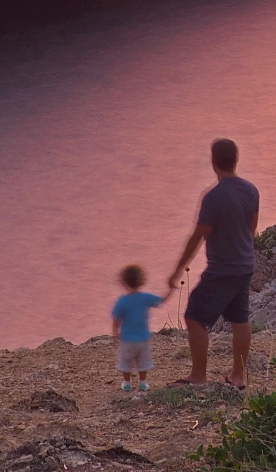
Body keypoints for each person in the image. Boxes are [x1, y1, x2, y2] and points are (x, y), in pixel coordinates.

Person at [168, 137, 259, 391]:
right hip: (244, 264)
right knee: (240, 319)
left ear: (213, 162)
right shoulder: (251, 190)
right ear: (236, 160)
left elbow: (198, 236)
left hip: (222, 268)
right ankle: (238, 376)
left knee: (194, 316)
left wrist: (176, 270)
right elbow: (252, 227)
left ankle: (198, 375)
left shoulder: (214, 197)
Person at [110, 265, 166, 393]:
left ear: (123, 281)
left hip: (127, 339)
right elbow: (161, 301)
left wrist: (114, 333)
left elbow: (116, 318)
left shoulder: (122, 301)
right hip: (142, 338)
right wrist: (171, 288)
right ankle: (142, 383)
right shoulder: (145, 297)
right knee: (143, 362)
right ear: (141, 280)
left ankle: (127, 383)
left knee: (126, 362)